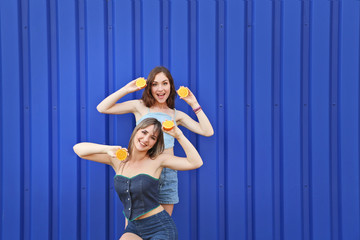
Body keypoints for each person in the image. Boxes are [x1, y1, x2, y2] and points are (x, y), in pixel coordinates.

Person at [96, 66, 213, 215]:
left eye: (165, 83)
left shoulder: (176, 115)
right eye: (155, 84)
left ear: (171, 86)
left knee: (162, 225)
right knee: (134, 224)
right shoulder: (140, 106)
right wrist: (126, 89)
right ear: (149, 87)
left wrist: (194, 104)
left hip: (167, 172)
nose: (160, 88)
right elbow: (102, 108)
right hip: (141, 170)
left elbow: (207, 131)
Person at [73, 118, 202, 240]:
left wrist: (179, 135)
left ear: (155, 143)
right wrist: (107, 149)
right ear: (136, 131)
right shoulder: (118, 159)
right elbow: (78, 149)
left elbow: (195, 162)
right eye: (144, 132)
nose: (146, 139)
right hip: (133, 227)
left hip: (160, 227)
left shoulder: (158, 160)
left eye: (152, 138)